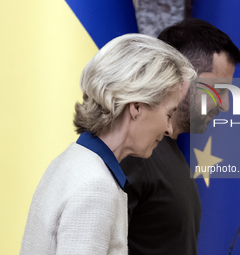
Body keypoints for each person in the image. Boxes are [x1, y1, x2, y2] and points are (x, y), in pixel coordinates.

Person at [19, 33, 196, 255]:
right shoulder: (96, 186)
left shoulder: (72, 162)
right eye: (169, 113)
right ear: (137, 107)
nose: (169, 129)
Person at [120, 19, 240, 255]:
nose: (225, 105)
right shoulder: (134, 152)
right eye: (219, 90)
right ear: (182, 79)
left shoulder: (165, 152)